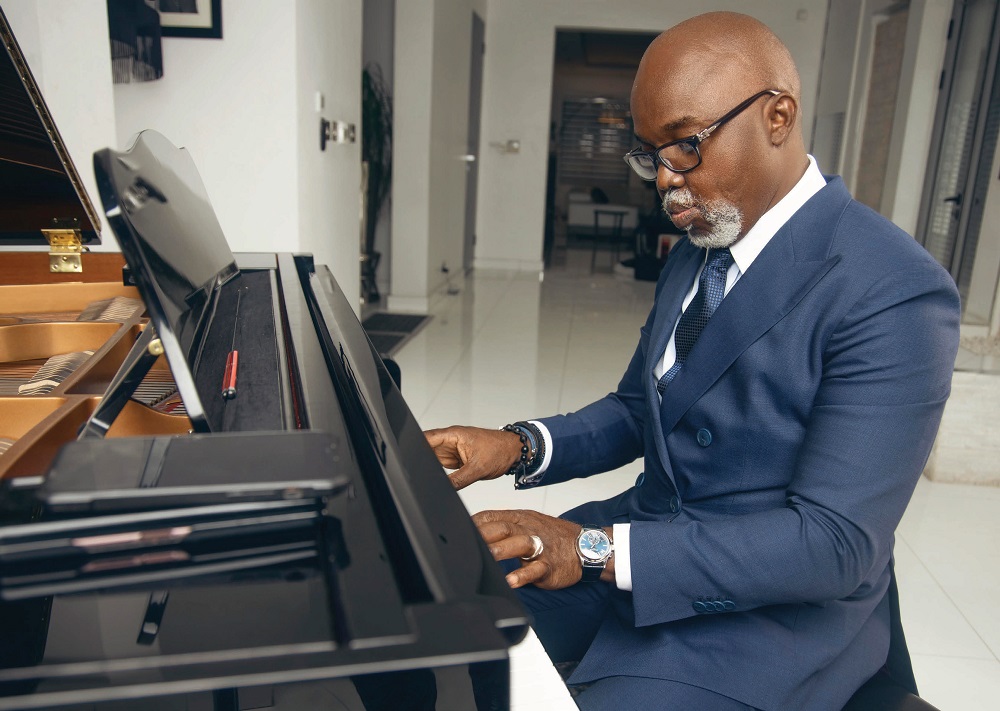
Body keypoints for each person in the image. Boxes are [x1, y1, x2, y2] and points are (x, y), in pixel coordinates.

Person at [425, 12, 960, 711]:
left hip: (765, 618)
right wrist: (517, 446)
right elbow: (637, 409)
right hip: (640, 546)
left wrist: (590, 548)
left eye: (684, 145)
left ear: (777, 115)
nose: (665, 180)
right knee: (444, 630)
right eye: (650, 154)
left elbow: (831, 545)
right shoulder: (700, 243)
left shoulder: (892, 288)